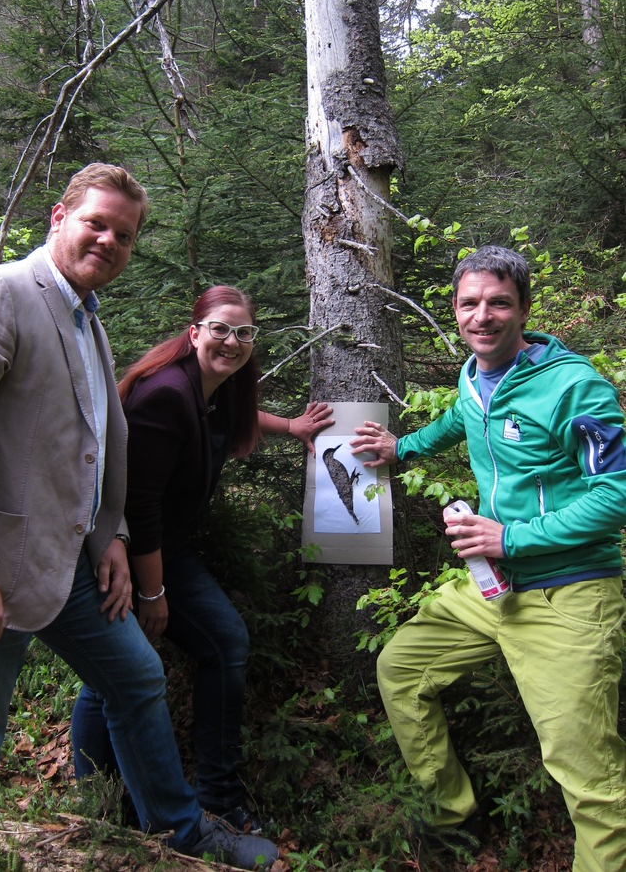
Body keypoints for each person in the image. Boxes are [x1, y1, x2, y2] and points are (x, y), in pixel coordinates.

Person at [0, 164, 279, 872]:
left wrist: (109, 532)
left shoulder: (87, 321)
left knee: (137, 677)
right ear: (59, 216)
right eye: (98, 223)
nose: (110, 240)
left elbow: (87, 446)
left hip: (64, 564)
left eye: (125, 234)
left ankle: (179, 829)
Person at [350, 246, 626, 872]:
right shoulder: (473, 377)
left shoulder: (574, 386)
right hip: (492, 589)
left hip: (569, 596)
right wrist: (404, 447)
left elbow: (616, 495)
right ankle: (450, 813)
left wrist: (511, 539)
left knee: (589, 778)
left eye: (499, 302)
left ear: (524, 308)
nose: (484, 316)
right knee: (401, 668)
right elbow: (461, 419)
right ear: (454, 309)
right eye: (470, 303)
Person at [71, 284, 333, 834]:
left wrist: (291, 427)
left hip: (169, 548)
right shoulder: (166, 392)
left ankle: (214, 792)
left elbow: (235, 418)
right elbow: (138, 506)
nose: (231, 341)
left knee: (223, 643)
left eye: (242, 332)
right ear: (194, 334)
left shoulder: (219, 385)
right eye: (219, 329)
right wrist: (152, 592)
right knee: (112, 673)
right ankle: (99, 796)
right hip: (124, 553)